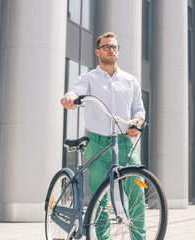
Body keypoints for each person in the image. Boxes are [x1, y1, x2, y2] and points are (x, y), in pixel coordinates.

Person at [60, 32, 146, 239]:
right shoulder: (88, 78)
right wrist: (69, 98)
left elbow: (139, 110)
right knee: (100, 196)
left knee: (137, 190)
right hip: (97, 142)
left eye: (114, 47)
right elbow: (75, 91)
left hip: (124, 142)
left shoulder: (130, 80)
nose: (111, 50)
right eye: (107, 47)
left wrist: (137, 122)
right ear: (98, 51)